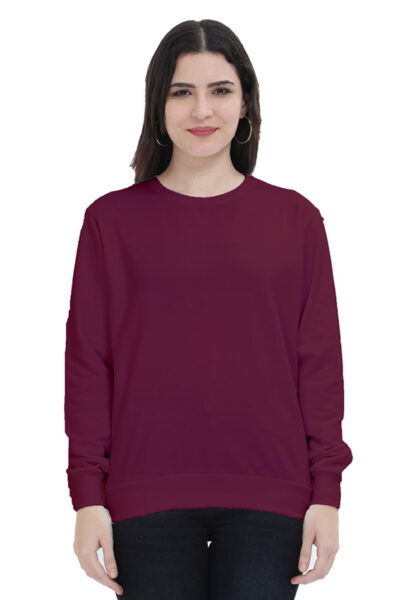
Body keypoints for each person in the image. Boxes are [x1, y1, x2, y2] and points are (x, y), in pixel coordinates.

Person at [64, 19, 353, 600]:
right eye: (182, 92)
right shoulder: (109, 222)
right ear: (158, 105)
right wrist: (87, 497)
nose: (202, 110)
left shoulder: (296, 220)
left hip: (272, 496)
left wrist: (327, 492)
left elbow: (319, 365)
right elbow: (89, 364)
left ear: (246, 103)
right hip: (145, 497)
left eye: (220, 90)